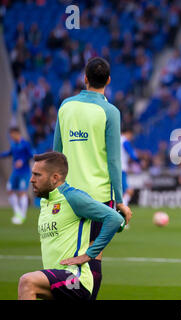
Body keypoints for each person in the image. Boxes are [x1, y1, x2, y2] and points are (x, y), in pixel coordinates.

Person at [53, 56, 132, 300]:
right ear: (108, 81)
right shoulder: (110, 111)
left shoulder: (65, 106)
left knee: (66, 256)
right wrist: (119, 201)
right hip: (98, 197)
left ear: (85, 79)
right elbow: (114, 160)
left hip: (66, 195)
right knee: (92, 256)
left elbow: (56, 152)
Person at [17, 151, 124, 300]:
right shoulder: (45, 202)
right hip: (58, 280)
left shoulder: (72, 197)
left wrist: (89, 254)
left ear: (55, 178)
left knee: (27, 282)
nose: (31, 180)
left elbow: (115, 219)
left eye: (37, 175)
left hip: (75, 280)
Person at [0, 127, 33, 225]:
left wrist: (22, 161)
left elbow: (31, 155)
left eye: (12, 134)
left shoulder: (25, 144)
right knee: (9, 189)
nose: (11, 136)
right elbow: (10, 153)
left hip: (24, 172)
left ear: (17, 133)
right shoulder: (13, 144)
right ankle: (17, 212)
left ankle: (22, 215)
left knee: (22, 192)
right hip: (15, 172)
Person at [120, 127, 140, 207]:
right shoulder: (124, 141)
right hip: (121, 169)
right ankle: (123, 206)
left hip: (112, 168)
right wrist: (139, 162)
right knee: (128, 190)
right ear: (128, 133)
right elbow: (132, 155)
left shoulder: (115, 139)